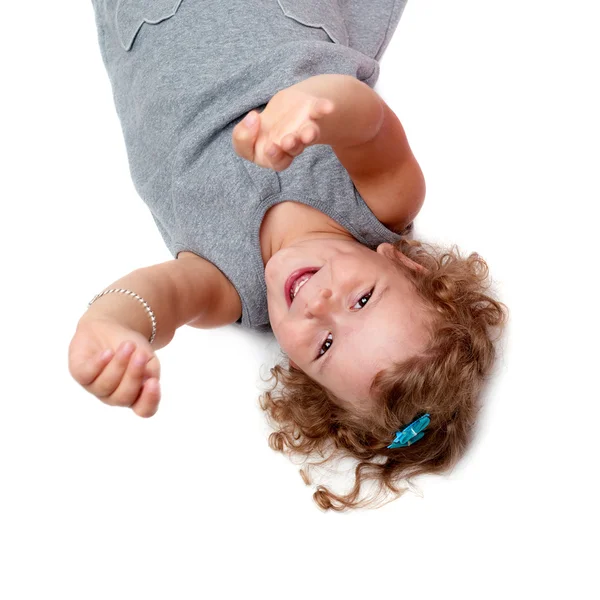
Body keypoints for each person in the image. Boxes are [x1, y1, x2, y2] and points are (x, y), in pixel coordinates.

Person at [69, 0, 507, 510]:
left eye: (323, 346)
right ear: (405, 263)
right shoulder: (381, 202)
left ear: (300, 374)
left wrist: (111, 325)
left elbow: (162, 296)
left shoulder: (226, 284)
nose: (320, 303)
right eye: (362, 301)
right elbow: (368, 123)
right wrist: (317, 106)